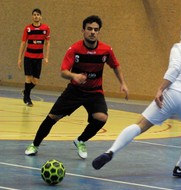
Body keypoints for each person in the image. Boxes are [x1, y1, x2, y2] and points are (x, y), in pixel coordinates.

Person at [92, 21, 181, 178]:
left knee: (140, 124)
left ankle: (111, 151)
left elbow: (174, 69)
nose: (180, 37)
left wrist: (161, 89)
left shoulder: (179, 47)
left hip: (172, 94)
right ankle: (180, 167)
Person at [24, 15, 129, 159]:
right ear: (83, 30)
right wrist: (74, 76)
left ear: (99, 32)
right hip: (74, 91)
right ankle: (34, 145)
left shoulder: (106, 50)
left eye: (96, 30)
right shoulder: (74, 49)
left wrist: (122, 83)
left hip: (94, 92)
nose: (92, 32)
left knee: (101, 117)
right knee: (52, 117)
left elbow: (115, 65)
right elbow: (63, 72)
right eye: (89, 29)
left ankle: (80, 140)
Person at [18, 8, 51, 107]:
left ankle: (26, 91)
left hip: (38, 58)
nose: (36, 16)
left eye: (38, 14)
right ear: (32, 16)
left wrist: (46, 57)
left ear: (41, 16)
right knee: (28, 77)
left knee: (35, 80)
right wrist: (19, 58)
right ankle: (27, 98)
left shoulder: (46, 28)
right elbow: (23, 43)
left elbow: (47, 43)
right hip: (28, 57)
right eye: (34, 14)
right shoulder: (28, 29)